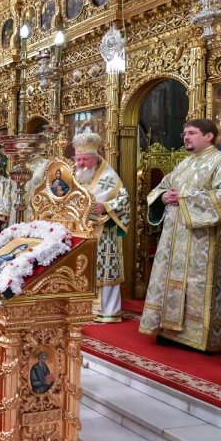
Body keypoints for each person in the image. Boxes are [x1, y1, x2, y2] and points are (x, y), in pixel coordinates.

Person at [139, 119, 221, 351]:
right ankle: (169, 329)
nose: (186, 137)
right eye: (184, 133)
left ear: (209, 136)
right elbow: (162, 188)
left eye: (192, 133)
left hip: (204, 242)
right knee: (171, 282)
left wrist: (184, 196)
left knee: (197, 285)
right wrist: (163, 196)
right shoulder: (184, 164)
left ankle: (198, 337)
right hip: (173, 240)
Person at [73, 130, 130, 322]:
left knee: (104, 270)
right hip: (80, 231)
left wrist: (105, 206)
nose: (80, 164)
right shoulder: (76, 176)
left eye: (85, 160)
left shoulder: (109, 176)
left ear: (95, 158)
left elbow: (124, 201)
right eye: (79, 159)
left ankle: (107, 311)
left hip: (104, 233)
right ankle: (82, 308)